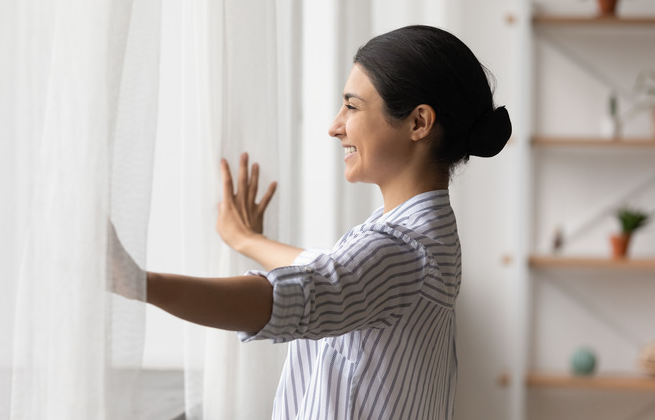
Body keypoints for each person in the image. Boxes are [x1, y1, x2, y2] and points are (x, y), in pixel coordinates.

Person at [110, 25, 512, 419]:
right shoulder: (423, 239)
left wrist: (141, 283)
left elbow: (300, 293)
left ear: (419, 123)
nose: (335, 126)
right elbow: (331, 269)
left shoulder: (401, 251)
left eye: (352, 106)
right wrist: (247, 239)